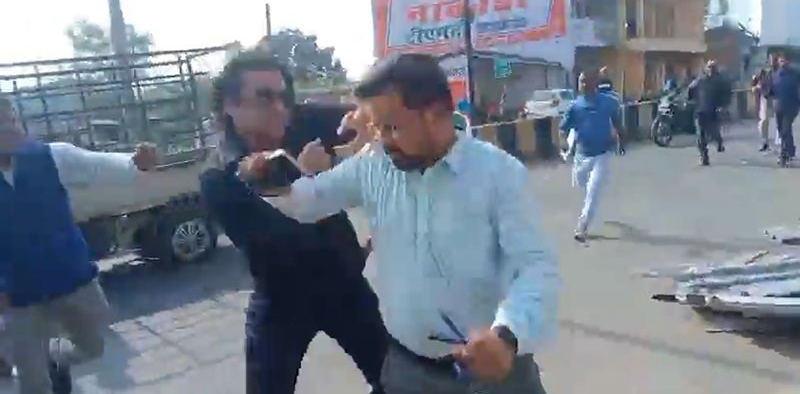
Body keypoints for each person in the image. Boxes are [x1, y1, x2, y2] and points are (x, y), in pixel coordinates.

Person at [243, 52, 559, 394]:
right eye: (376, 127)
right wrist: (267, 181)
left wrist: (507, 337)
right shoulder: (373, 165)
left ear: (434, 114)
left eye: (392, 127)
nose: (382, 139)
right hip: (408, 372)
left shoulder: (499, 174)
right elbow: (311, 199)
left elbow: (534, 267)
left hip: (495, 375)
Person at [197, 50, 387, 394]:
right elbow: (277, 239)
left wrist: (365, 121)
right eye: (264, 98)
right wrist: (309, 179)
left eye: (284, 96)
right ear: (230, 106)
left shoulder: (301, 120)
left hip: (345, 284)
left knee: (395, 380)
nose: (279, 108)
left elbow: (373, 112)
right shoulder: (219, 175)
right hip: (282, 299)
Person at [0, 97, 158, 394]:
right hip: (19, 295)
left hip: (72, 280)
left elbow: (98, 164)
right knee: (32, 384)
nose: (10, 128)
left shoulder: (52, 157)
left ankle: (55, 358)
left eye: (12, 120)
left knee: (94, 347)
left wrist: (135, 162)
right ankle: (37, 368)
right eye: (1, 123)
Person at [559, 70, 625, 242]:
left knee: (593, 191)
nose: (582, 84)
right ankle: (589, 208)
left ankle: (582, 225)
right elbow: (563, 128)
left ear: (594, 82)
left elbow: (617, 123)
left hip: (602, 154)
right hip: (581, 156)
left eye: (585, 81)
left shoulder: (608, 102)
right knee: (582, 185)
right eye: (580, 81)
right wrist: (564, 144)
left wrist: (621, 141)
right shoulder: (575, 106)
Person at [687, 60, 732, 166]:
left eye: (713, 68)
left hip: (712, 110)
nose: (711, 70)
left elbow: (726, 94)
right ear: (706, 69)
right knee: (700, 134)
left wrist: (723, 106)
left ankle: (719, 142)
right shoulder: (700, 80)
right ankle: (704, 156)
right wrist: (690, 99)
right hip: (700, 111)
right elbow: (690, 89)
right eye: (709, 68)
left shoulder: (720, 81)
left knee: (713, 131)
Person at [765, 53, 800, 167]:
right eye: (781, 61)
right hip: (779, 106)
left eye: (784, 61)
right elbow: (770, 90)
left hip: (791, 106)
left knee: (785, 129)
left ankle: (785, 154)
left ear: (788, 62)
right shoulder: (775, 75)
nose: (782, 63)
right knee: (781, 130)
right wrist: (766, 93)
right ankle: (789, 150)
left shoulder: (795, 74)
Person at [754, 54, 779, 152]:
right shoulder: (762, 72)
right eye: (770, 60)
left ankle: (776, 143)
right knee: (764, 121)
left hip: (775, 98)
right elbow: (755, 83)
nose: (772, 62)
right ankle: (765, 141)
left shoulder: (777, 72)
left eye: (774, 60)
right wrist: (757, 87)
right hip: (765, 98)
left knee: (774, 121)